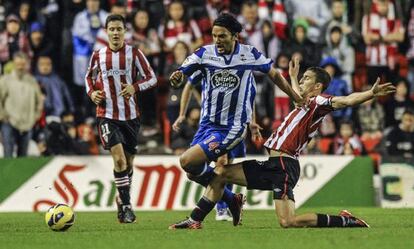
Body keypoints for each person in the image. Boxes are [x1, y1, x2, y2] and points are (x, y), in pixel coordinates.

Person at [169, 57, 396, 229]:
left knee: (288, 222)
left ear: (318, 87)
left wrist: (370, 93)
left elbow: (345, 100)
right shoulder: (303, 102)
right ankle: (195, 220)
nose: (303, 81)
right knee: (220, 173)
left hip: (285, 167)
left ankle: (344, 220)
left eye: (308, 78)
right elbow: (296, 93)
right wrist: (295, 78)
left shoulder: (319, 102)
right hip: (272, 164)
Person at [168, 13, 302, 229]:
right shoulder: (205, 53)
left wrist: (294, 96)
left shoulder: (249, 54)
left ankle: (201, 217)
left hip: (232, 127)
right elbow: (182, 74)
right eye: (214, 36)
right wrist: (177, 76)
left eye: (222, 36)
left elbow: (274, 75)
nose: (217, 40)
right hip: (206, 125)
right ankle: (232, 201)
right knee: (193, 170)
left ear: (235, 36)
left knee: (189, 161)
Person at [85, 14, 157, 223]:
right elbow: (88, 77)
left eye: (119, 29)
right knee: (118, 159)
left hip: (131, 116)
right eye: (112, 29)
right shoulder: (98, 55)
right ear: (106, 31)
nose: (115, 33)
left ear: (125, 31)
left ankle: (121, 198)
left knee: (128, 164)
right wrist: (92, 94)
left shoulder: (134, 54)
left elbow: (151, 77)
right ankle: (126, 206)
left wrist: (134, 87)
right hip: (106, 114)